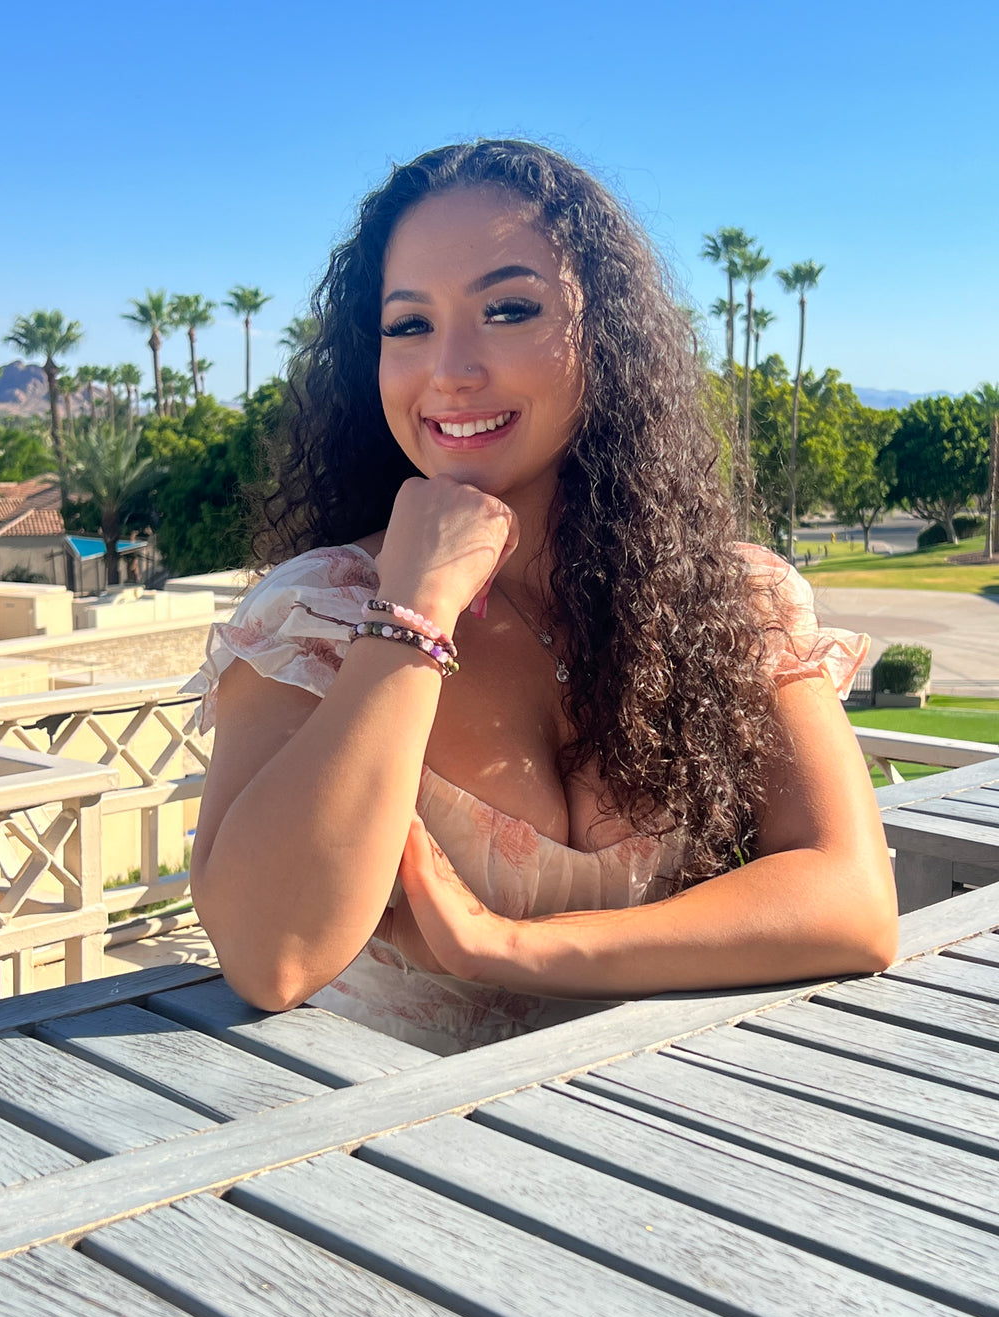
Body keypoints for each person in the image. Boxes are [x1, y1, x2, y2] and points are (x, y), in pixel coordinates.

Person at [186, 140, 897, 1055]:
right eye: (407, 325)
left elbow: (850, 900)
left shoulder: (727, 603)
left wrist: (513, 947)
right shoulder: (318, 613)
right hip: (366, 1159)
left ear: (607, 338)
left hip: (671, 1148)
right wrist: (412, 612)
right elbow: (269, 953)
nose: (449, 367)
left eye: (509, 309)